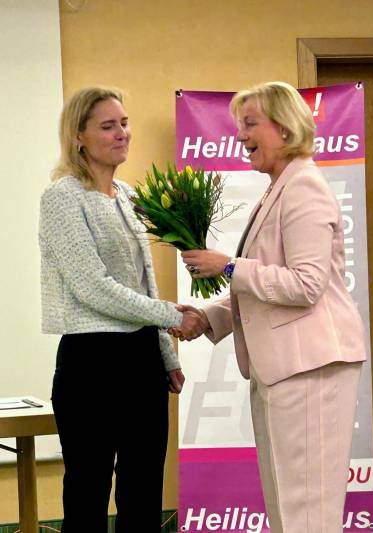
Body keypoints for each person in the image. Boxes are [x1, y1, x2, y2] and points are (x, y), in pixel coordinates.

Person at [174, 81, 366, 533]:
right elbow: (266, 284)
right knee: (287, 505)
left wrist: (228, 266)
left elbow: (306, 284)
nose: (241, 135)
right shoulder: (278, 188)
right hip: (283, 371)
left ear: (284, 127)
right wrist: (210, 317)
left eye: (250, 124)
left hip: (311, 368)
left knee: (307, 511)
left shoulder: (303, 188)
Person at [39, 86, 201, 532]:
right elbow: (93, 288)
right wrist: (173, 315)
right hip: (91, 361)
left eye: (124, 123)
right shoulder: (63, 197)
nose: (122, 134)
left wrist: (165, 354)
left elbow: (142, 281)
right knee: (88, 491)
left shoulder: (128, 195)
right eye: (108, 126)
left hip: (142, 358)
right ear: (78, 136)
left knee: (143, 490)